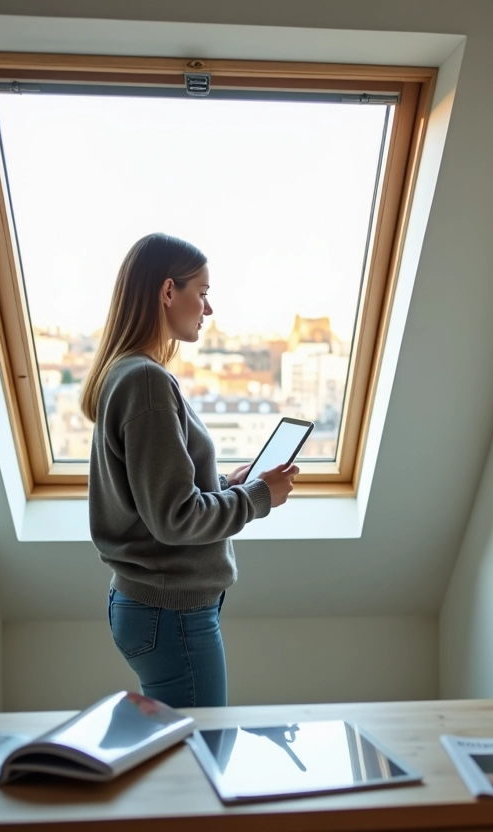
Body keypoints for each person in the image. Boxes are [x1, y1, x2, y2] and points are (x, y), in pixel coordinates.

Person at [80, 232, 298, 709]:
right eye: (201, 293)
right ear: (167, 292)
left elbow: (155, 497)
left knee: (180, 756)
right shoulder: (146, 382)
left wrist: (225, 485)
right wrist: (258, 497)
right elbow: (175, 518)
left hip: (155, 607)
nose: (208, 308)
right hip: (169, 612)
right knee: (199, 757)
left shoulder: (128, 374)